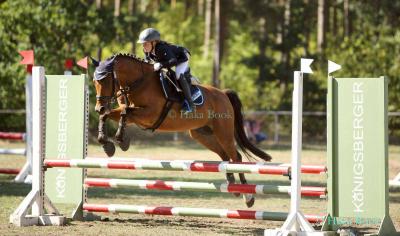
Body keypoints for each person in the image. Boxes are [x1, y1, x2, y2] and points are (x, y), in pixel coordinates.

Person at [137, 28, 195, 113]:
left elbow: (173, 61)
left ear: (154, 42)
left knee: (178, 74)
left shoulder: (161, 48)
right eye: (143, 44)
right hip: (169, 59)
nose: (143, 46)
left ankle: (191, 104)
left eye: (145, 43)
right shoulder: (147, 50)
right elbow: (148, 62)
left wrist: (161, 65)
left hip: (182, 57)